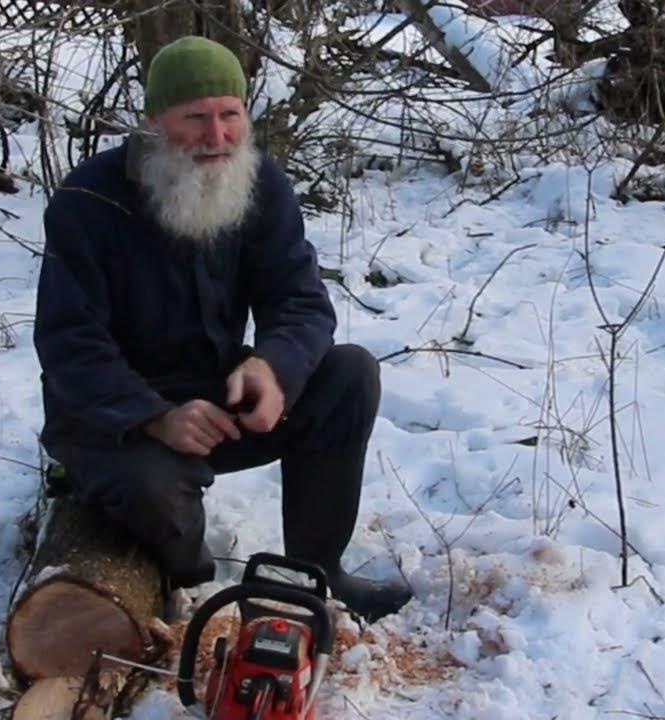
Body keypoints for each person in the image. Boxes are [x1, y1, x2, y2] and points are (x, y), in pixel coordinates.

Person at [33, 36, 412, 621]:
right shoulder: (88, 200)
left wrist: (273, 368)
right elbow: (68, 345)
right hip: (112, 419)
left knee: (348, 374)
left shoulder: (261, 185)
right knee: (151, 491)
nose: (217, 137)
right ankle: (189, 594)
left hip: (216, 396)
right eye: (195, 118)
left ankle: (317, 573)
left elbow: (301, 301)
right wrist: (155, 416)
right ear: (154, 120)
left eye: (230, 115)